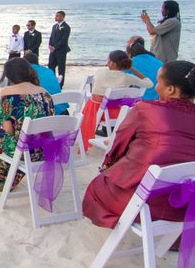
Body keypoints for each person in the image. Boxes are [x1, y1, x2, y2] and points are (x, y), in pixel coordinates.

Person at [83, 61, 195, 235]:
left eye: (158, 82)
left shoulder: (146, 110)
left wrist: (108, 167)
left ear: (171, 89)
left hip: (146, 204)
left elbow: (118, 147)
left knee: (98, 186)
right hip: (185, 208)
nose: (156, 87)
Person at [0, 57, 55, 191]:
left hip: (21, 150)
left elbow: (8, 130)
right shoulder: (45, 93)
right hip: (42, 149)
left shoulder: (7, 93)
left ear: (9, 75)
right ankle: (11, 176)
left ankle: (2, 180)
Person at [79, 50, 153, 151]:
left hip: (95, 111)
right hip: (117, 113)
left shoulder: (100, 72)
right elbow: (149, 83)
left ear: (112, 63)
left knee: (92, 100)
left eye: (108, 60)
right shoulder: (127, 77)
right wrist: (132, 69)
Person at [126, 36, 163, 100]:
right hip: (156, 100)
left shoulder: (131, 63)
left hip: (140, 100)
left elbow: (118, 78)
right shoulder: (159, 62)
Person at [48, 10, 71, 87]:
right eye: (56, 16)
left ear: (62, 17)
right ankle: (53, 81)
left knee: (61, 68)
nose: (56, 17)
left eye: (57, 16)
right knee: (50, 66)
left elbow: (64, 40)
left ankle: (60, 84)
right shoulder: (54, 26)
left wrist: (55, 47)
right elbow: (51, 37)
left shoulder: (66, 27)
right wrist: (50, 45)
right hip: (53, 50)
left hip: (61, 50)